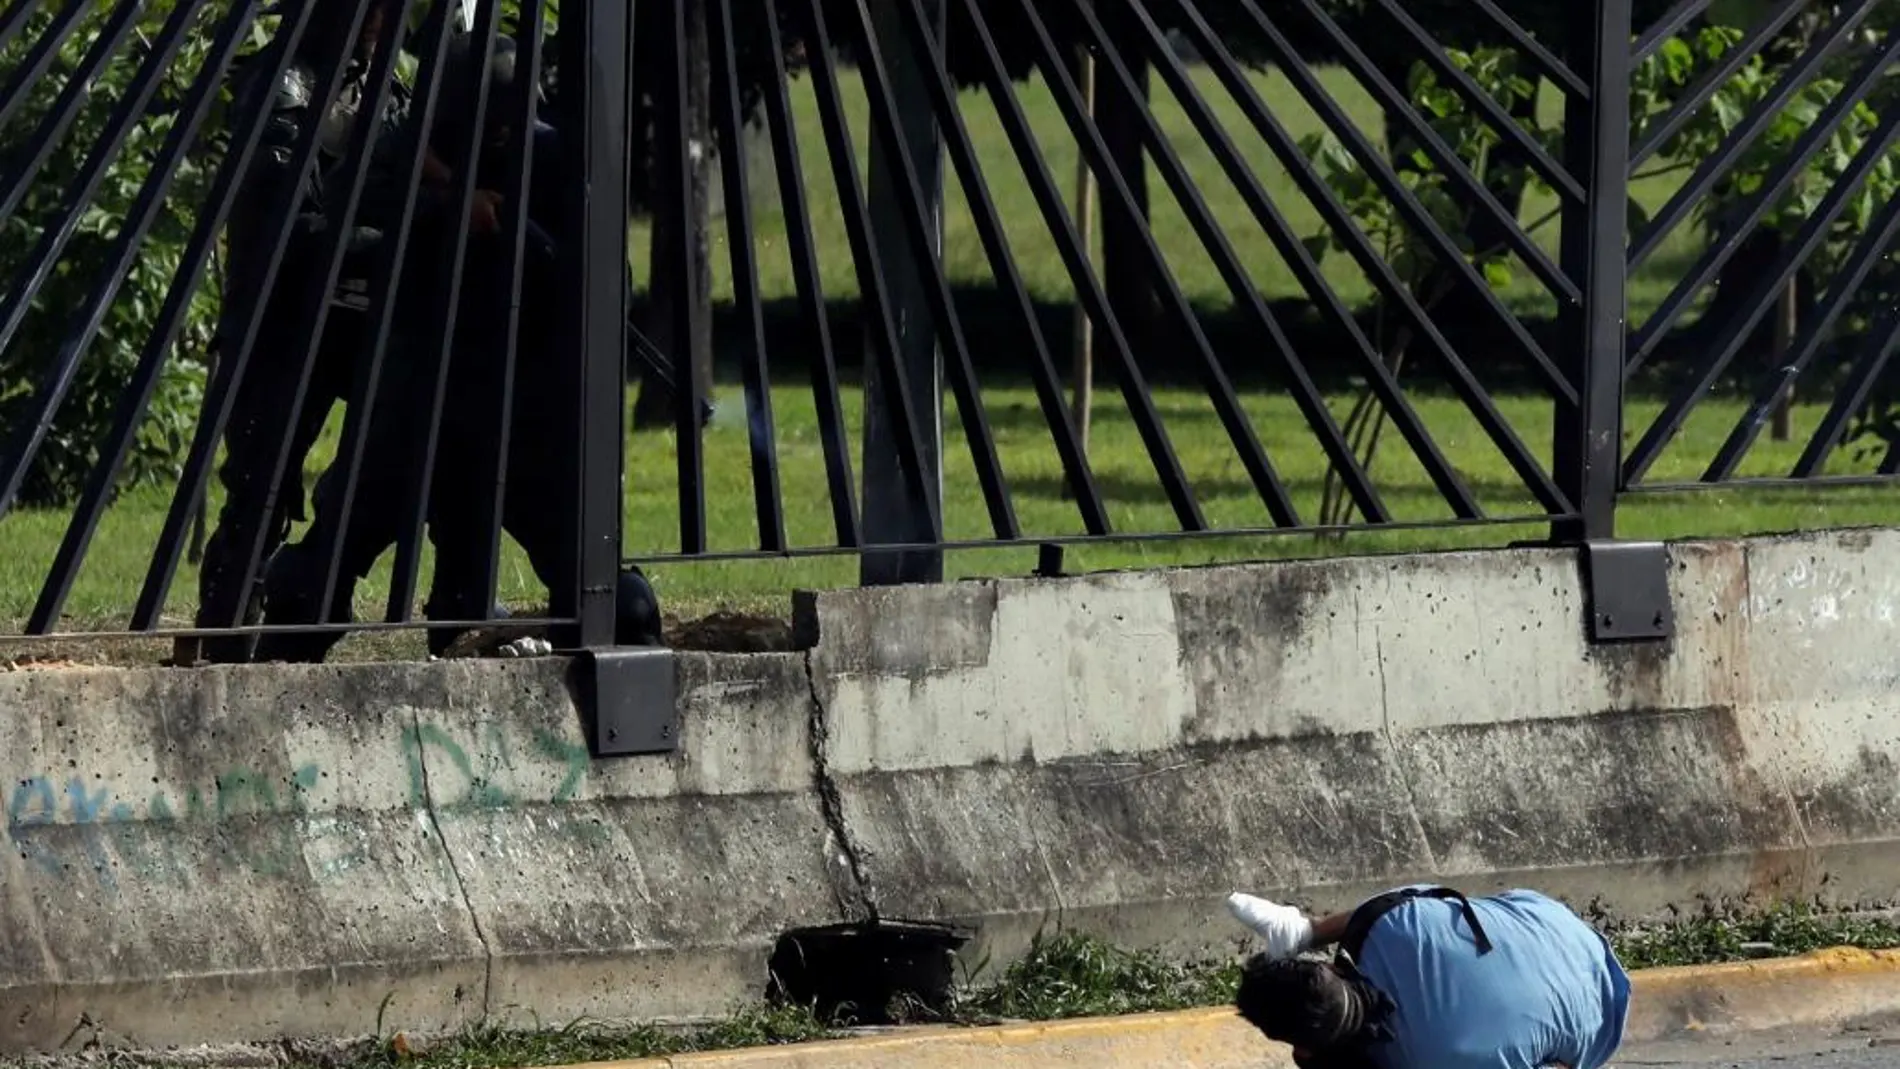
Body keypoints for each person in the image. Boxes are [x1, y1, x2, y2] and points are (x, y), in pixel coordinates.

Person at [253, 31, 664, 663]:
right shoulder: (405, 150)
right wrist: (447, 207)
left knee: (618, 604)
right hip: (414, 398)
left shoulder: (549, 159)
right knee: (308, 590)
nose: (494, 137)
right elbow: (337, 224)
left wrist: (517, 242)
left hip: (513, 408)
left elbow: (598, 279)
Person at [182, 0, 415, 665]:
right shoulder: (284, 85)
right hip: (281, 322)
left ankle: (304, 611)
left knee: (393, 458)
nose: (376, 18)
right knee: (261, 484)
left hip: (357, 314)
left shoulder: (385, 85)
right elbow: (293, 219)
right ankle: (224, 641)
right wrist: (386, 234)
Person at [1225, 884, 1631, 1069]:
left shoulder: (1418, 1060)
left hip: (1601, 1020)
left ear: (1307, 1050)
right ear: (1328, 967)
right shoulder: (1384, 925)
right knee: (1402, 908)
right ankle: (1306, 930)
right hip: (1554, 926)